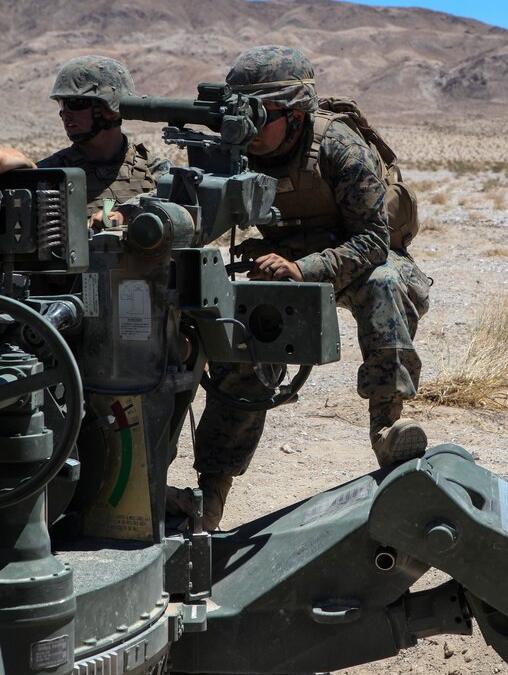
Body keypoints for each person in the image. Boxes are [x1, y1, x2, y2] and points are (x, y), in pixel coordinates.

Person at [187, 46, 431, 530]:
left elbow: (374, 241)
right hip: (284, 267)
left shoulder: (340, 147)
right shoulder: (237, 154)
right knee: (241, 338)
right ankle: (211, 493)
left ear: (295, 113)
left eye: (260, 115)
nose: (249, 128)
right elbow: (202, 223)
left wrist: (304, 268)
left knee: (384, 285)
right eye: (240, 115)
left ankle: (387, 423)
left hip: (362, 263)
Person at [38, 55, 161, 216]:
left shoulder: (155, 170)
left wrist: (125, 214)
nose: (64, 114)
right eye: (62, 103)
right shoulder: (49, 174)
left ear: (111, 111)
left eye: (76, 103)